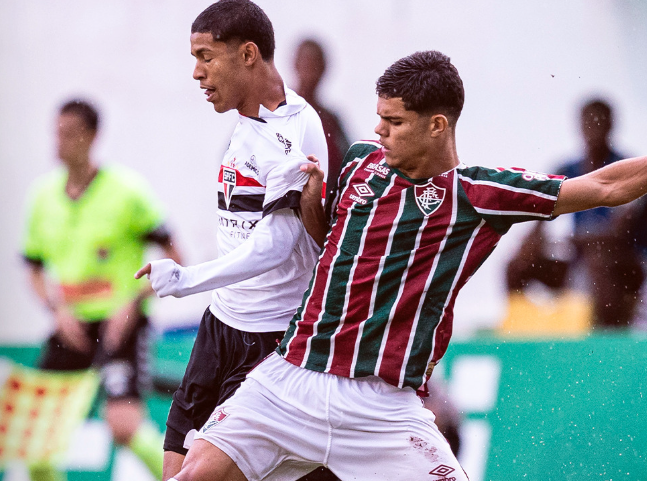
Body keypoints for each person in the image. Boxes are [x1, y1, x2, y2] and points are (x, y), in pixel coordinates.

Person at [167, 50, 647, 481]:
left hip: (383, 408)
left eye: (394, 122)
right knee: (193, 476)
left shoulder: (476, 195)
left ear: (437, 125)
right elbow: (332, 247)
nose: (379, 130)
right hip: (291, 377)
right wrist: (314, 203)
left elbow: (605, 187)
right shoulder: (360, 163)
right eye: (379, 117)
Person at [133, 1, 333, 480]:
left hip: (270, 337)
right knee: (174, 468)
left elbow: (277, 245)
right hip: (220, 324)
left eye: (206, 56)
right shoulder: (249, 121)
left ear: (247, 55)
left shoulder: (292, 131)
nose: (197, 73)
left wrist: (187, 277)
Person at [22, 99, 182, 481]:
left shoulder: (127, 193)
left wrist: (129, 305)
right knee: (37, 444)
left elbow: (175, 258)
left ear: (92, 137)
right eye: (56, 132)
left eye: (68, 133)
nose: (59, 142)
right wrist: (56, 310)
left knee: (124, 427)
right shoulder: (43, 197)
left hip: (120, 328)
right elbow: (33, 269)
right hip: (70, 329)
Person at [553, 99, 644, 328]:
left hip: (626, 262)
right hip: (580, 258)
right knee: (520, 263)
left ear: (611, 126)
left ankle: (607, 337)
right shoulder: (566, 171)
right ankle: (521, 333)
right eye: (588, 124)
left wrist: (574, 240)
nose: (593, 131)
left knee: (599, 260)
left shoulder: (627, 169)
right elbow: (536, 220)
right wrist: (533, 240)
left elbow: (618, 234)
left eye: (599, 124)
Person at [293, 38, 350, 219]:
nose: (310, 73)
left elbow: (351, 165)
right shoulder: (275, 114)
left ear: (325, 70)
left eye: (315, 66)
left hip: (324, 219)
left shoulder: (331, 120)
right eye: (306, 65)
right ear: (295, 65)